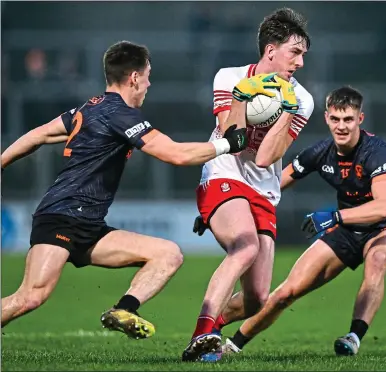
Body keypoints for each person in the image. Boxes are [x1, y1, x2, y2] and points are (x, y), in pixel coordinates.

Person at [0, 40, 267, 339]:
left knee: (168, 254)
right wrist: (227, 145)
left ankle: (123, 309)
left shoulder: (89, 108)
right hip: (63, 216)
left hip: (88, 226)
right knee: (31, 296)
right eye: (148, 75)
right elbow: (176, 154)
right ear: (134, 77)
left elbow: (37, 134)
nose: (150, 83)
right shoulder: (121, 115)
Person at [196, 85, 386, 359]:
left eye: (348, 119)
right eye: (335, 119)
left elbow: (384, 207)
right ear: (326, 118)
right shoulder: (321, 152)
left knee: (378, 259)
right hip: (346, 230)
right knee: (286, 292)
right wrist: (219, 207)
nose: (341, 126)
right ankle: (229, 344)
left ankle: (354, 336)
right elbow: (270, 185)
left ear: (360, 119)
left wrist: (335, 216)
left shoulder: (378, 152)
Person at [182, 8, 314, 362]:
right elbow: (231, 138)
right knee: (245, 247)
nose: (300, 63)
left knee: (257, 298)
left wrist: (286, 108)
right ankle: (202, 333)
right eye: (295, 52)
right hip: (224, 172)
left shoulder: (303, 99)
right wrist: (242, 96)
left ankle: (212, 325)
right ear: (271, 50)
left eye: (303, 55)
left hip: (262, 189)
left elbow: (264, 158)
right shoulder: (230, 77)